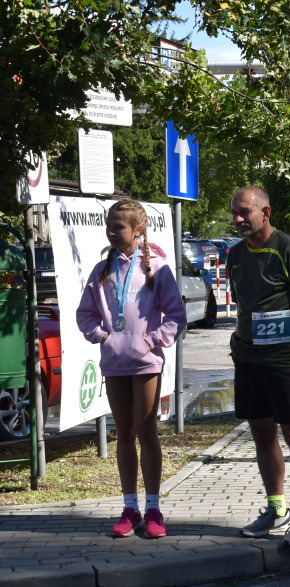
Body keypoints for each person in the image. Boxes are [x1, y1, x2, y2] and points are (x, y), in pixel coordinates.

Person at [76, 200, 187, 539]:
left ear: (138, 229)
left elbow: (176, 316)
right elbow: (85, 314)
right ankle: (130, 507)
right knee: (123, 433)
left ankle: (153, 508)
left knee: (145, 429)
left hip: (146, 362)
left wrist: (151, 341)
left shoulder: (157, 269)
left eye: (118, 226)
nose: (111, 231)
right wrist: (104, 337)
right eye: (109, 225)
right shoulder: (101, 271)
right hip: (115, 363)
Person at [229, 186, 290, 546]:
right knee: (262, 434)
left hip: (284, 360)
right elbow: (243, 304)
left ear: (265, 212)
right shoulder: (235, 255)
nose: (238, 219)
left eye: (245, 213)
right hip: (248, 359)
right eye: (235, 214)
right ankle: (277, 510)